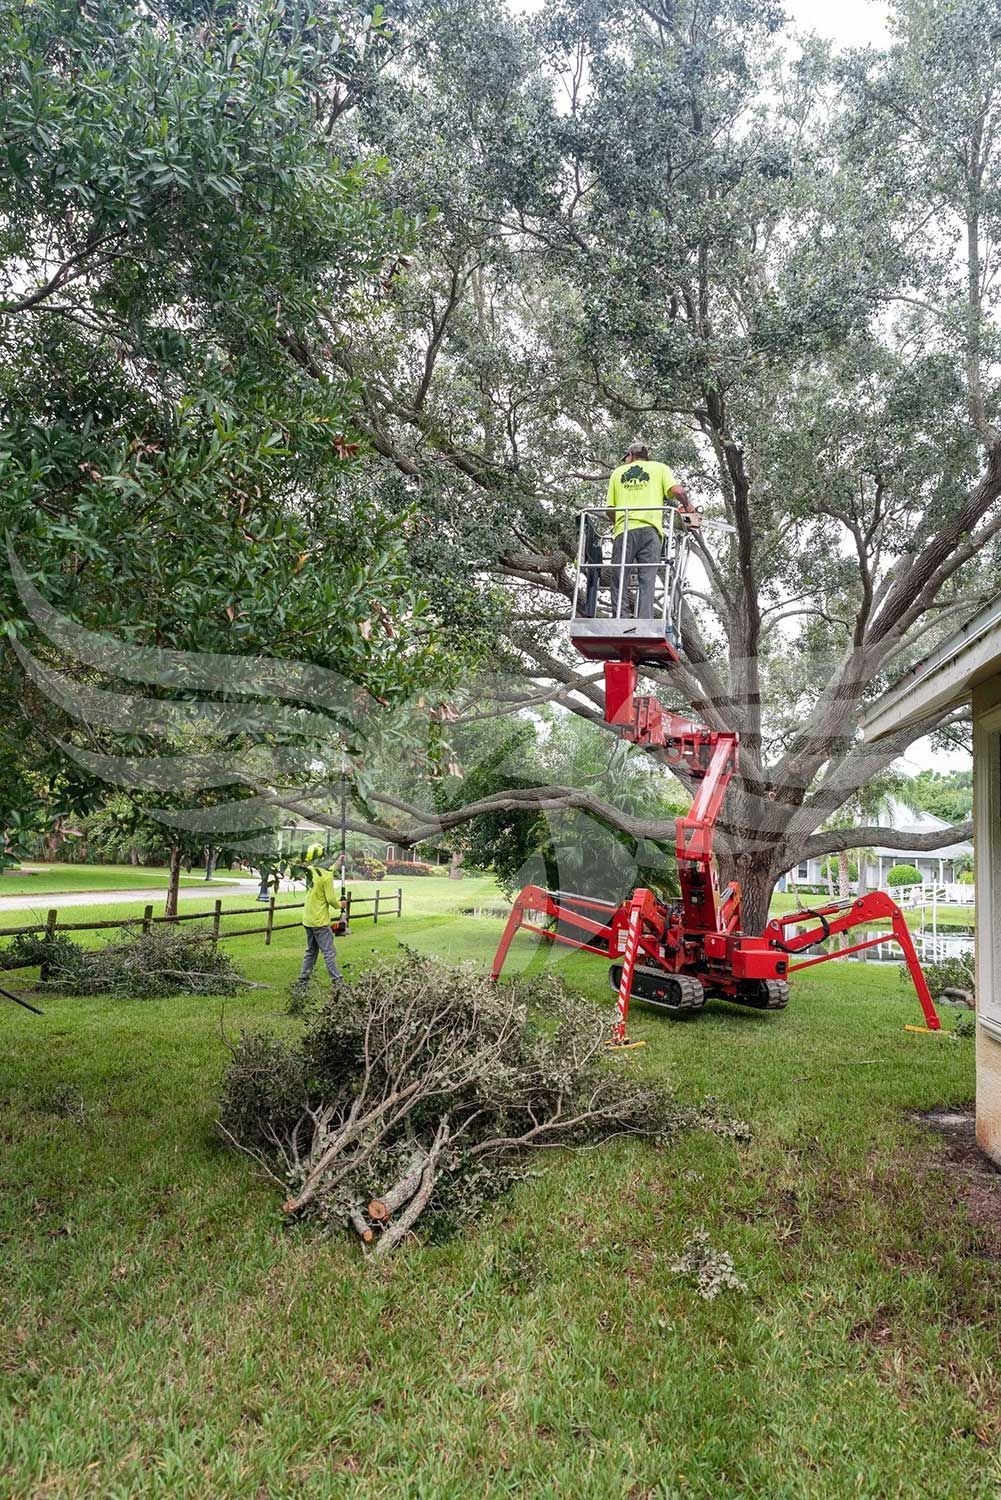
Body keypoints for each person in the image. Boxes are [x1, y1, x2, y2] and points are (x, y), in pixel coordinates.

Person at [606, 437, 694, 617]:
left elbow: (610, 511)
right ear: (646, 457)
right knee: (647, 578)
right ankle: (644, 618)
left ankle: (620, 616)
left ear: (630, 456)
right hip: (651, 532)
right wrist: (688, 506)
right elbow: (679, 491)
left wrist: (620, 523)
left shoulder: (618, 473)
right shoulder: (660, 468)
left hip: (625, 530)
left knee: (620, 575)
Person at [294, 842, 346, 993]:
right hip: (320, 922)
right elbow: (330, 899)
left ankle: (302, 982)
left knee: (311, 952)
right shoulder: (327, 877)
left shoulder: (310, 871)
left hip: (308, 920)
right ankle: (338, 982)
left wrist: (337, 864)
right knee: (329, 952)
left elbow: (325, 872)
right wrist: (341, 905)